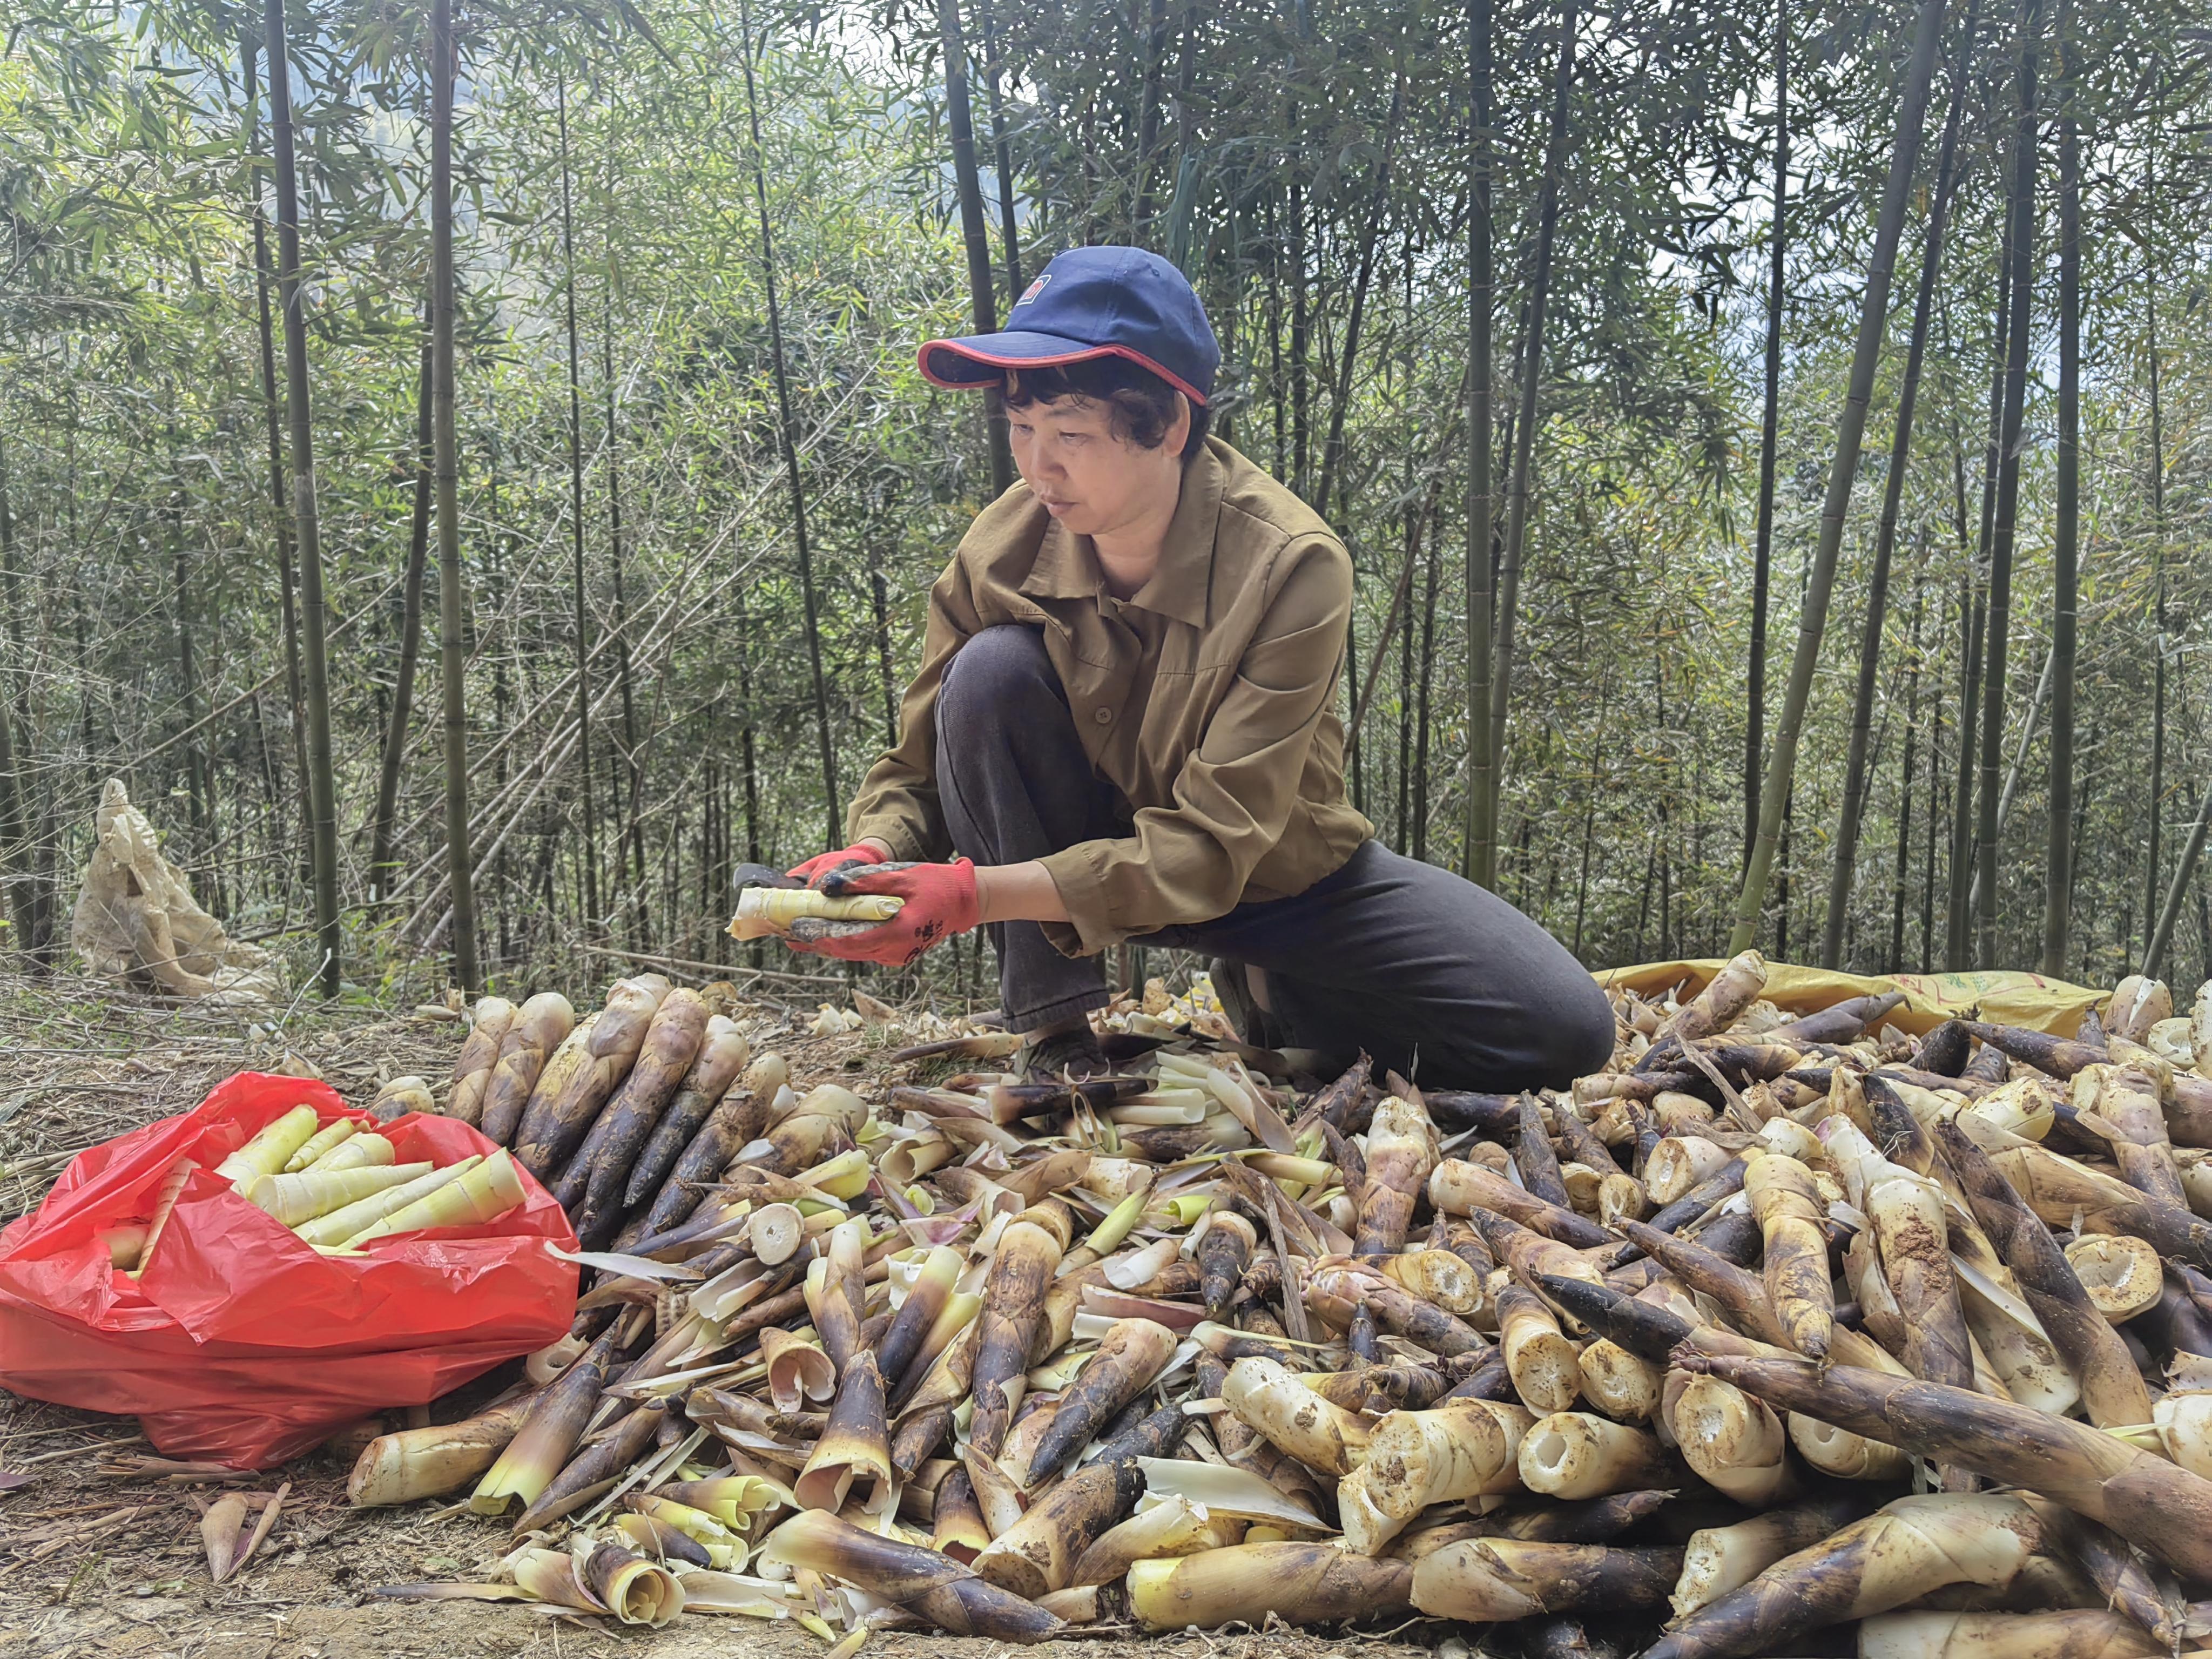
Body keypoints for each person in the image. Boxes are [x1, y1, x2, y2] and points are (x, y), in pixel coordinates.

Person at [781, 245, 1614, 1088]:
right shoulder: (1003, 545)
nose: (1037, 467)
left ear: (1169, 427)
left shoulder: (1290, 564)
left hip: (1269, 879)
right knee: (988, 670)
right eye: (1021, 428)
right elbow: (921, 763)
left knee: (1564, 1032)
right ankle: (1056, 1037)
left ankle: (1276, 991)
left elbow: (1216, 844)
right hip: (1059, 875)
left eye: (1070, 434)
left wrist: (972, 896)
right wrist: (873, 853)